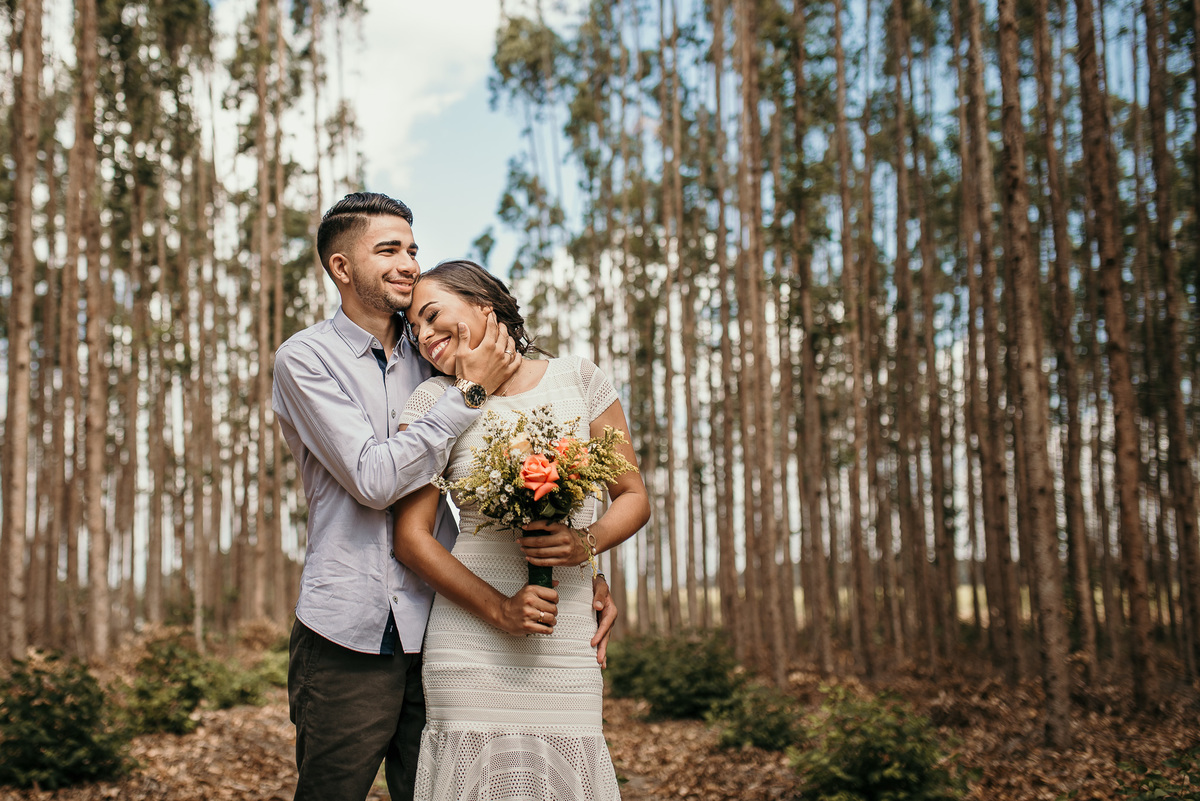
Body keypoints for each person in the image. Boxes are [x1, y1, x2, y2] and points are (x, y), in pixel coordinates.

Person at [271, 193, 618, 801]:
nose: (407, 262)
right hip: (350, 630)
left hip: (441, 624)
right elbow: (375, 480)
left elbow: (504, 464)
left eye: (412, 248)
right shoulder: (307, 359)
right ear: (341, 268)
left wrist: (586, 568)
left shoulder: (439, 362)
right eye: (388, 250)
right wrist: (471, 393)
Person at [393, 259, 650, 801]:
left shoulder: (579, 378)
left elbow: (633, 497)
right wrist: (499, 609)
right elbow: (411, 538)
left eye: (433, 315)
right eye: (414, 328)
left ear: (484, 306)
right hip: (468, 639)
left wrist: (587, 545)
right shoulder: (430, 403)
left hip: (566, 633)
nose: (424, 336)